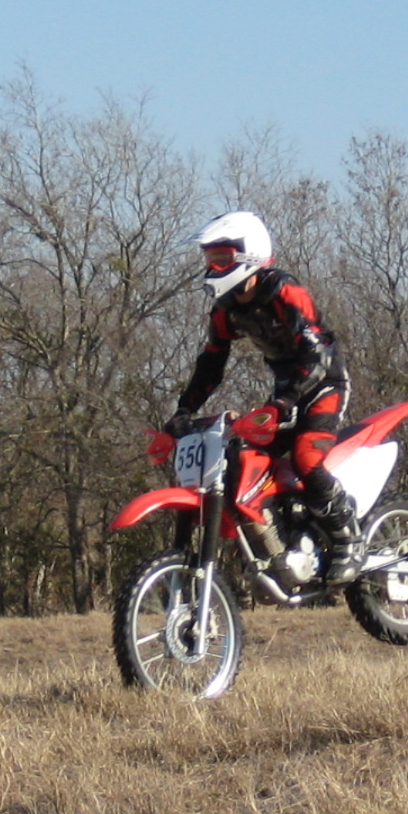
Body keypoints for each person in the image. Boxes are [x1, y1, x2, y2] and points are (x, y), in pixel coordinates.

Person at [165, 210, 361, 584]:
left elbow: (317, 355)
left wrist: (284, 402)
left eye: (221, 258)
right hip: (284, 392)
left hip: (323, 384)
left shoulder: (286, 292)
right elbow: (212, 362)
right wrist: (183, 409)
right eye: (210, 258)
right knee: (243, 454)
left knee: (306, 458)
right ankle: (283, 535)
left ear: (249, 254)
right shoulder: (225, 309)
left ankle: (348, 540)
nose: (213, 267)